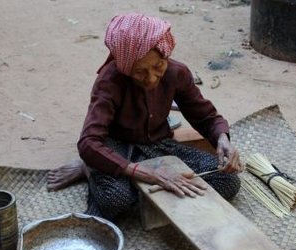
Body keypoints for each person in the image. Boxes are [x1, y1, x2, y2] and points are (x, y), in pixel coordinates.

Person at [47, 13, 242, 219]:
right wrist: (146, 175)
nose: (150, 79)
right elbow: (88, 142)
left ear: (165, 55)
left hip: (159, 145)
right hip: (118, 147)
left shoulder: (178, 73)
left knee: (227, 181)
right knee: (116, 199)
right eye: (139, 71)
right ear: (126, 67)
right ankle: (90, 167)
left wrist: (222, 139)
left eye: (158, 66)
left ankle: (119, 178)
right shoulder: (110, 81)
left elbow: (206, 117)